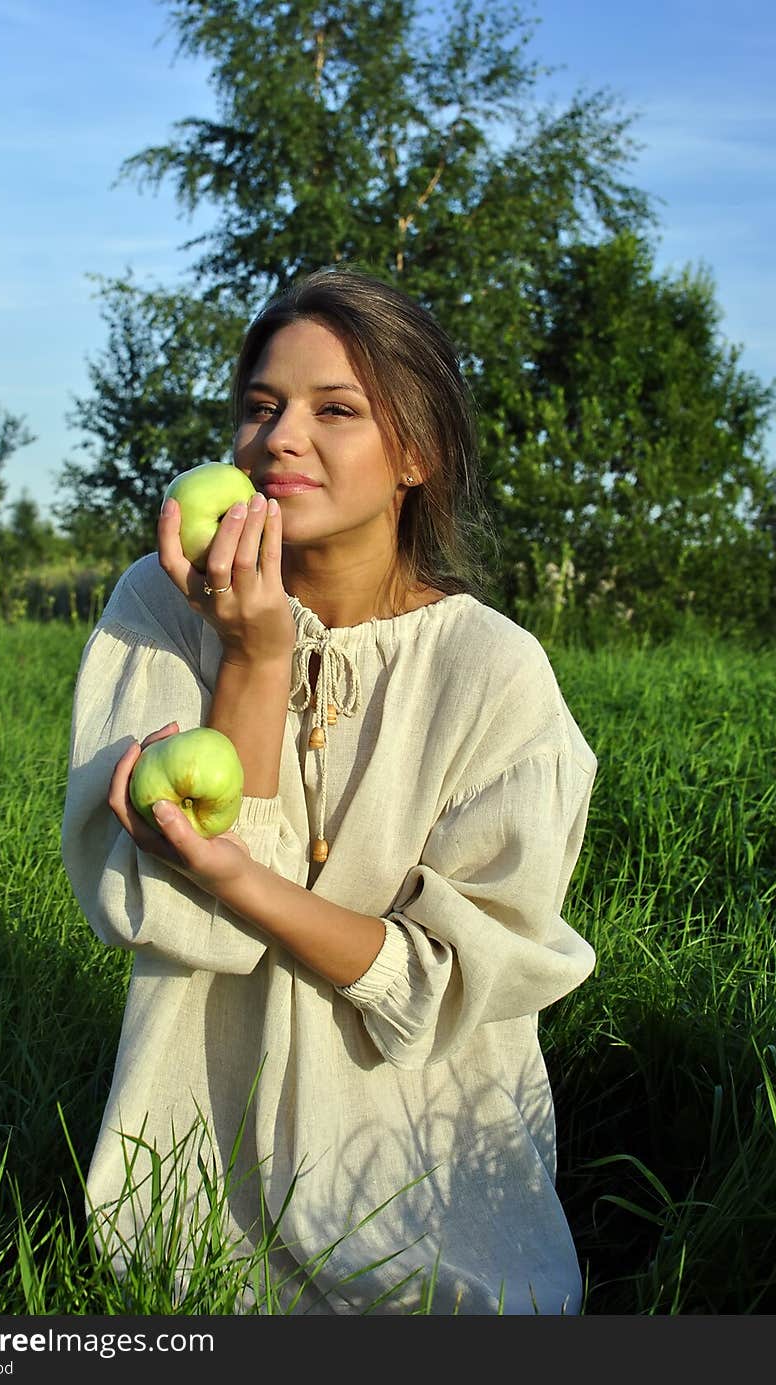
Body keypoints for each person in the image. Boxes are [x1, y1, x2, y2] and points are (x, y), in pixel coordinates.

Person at [61, 266, 598, 1316]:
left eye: (334, 409)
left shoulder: (494, 671)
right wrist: (254, 659)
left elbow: (444, 982)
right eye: (259, 408)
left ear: (416, 453)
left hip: (421, 1155)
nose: (278, 437)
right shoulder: (159, 607)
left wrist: (242, 881)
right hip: (195, 1151)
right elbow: (168, 920)